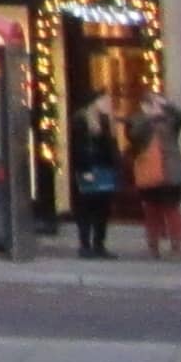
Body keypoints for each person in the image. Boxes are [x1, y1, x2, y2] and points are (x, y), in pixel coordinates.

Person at [132, 100, 181, 260]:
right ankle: (153, 246)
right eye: (153, 104)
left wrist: (168, 105)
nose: (156, 108)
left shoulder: (171, 121)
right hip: (150, 172)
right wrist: (148, 117)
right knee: (152, 211)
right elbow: (134, 134)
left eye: (158, 105)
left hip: (171, 174)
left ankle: (176, 246)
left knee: (172, 211)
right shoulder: (141, 121)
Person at [70, 108, 129, 258]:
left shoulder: (105, 127)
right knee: (87, 209)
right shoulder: (81, 126)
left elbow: (112, 151)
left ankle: (98, 244)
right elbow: (78, 151)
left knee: (102, 210)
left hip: (104, 172)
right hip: (88, 171)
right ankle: (85, 245)